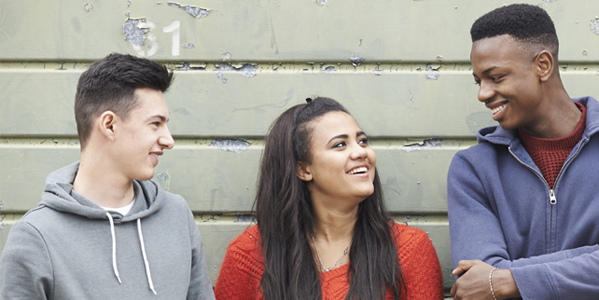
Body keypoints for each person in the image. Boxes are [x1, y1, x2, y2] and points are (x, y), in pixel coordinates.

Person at [447, 4, 599, 299]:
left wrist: (508, 281)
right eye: (479, 81)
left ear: (543, 65)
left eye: (496, 77)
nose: (483, 94)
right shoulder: (472, 169)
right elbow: (479, 286)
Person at [0, 53, 214, 299]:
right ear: (110, 125)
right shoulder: (36, 236)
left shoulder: (176, 215)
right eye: (155, 124)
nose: (169, 140)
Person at [214, 97, 443, 300]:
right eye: (340, 144)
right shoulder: (249, 255)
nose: (361, 152)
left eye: (362, 141)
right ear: (303, 169)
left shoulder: (409, 250)